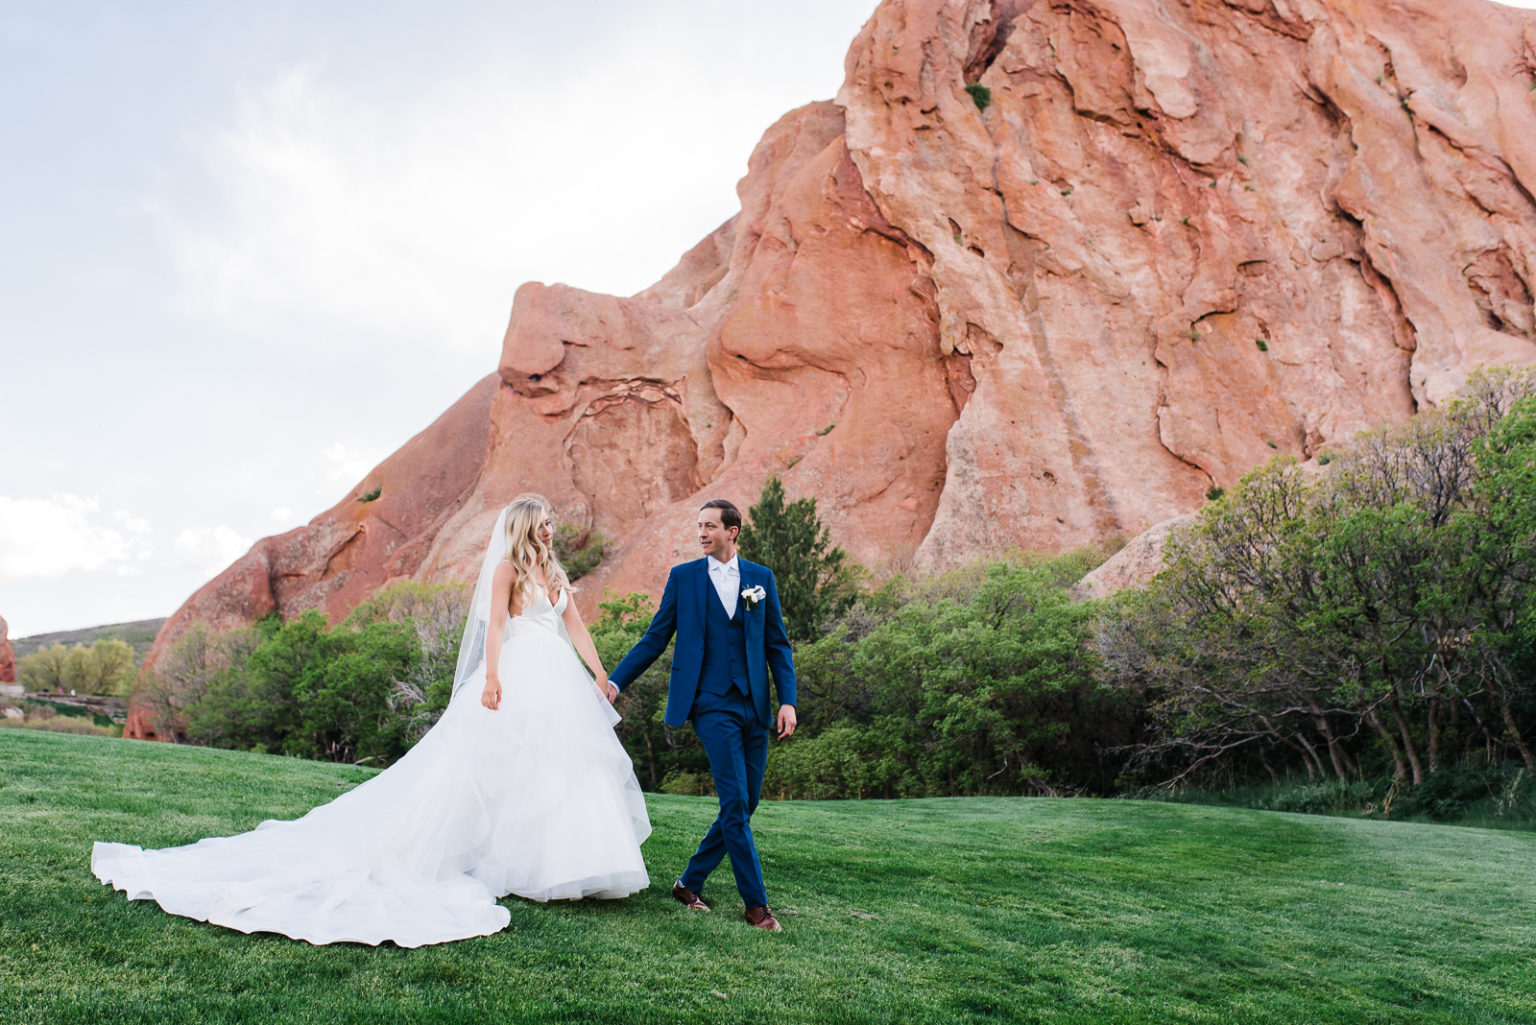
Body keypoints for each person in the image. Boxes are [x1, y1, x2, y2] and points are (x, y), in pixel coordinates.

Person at [91, 495, 650, 948]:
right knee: (497, 767)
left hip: (557, 677)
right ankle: (518, 866)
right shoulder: (507, 569)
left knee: (558, 768)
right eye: (544, 523)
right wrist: (492, 677)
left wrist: (602, 674)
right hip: (519, 672)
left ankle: (568, 866)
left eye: (552, 523)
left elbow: (575, 626)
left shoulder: (554, 572)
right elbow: (498, 628)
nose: (551, 530)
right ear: (526, 526)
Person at [608, 498, 797, 931]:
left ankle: (688, 882)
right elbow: (655, 638)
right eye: (699, 526)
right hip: (710, 703)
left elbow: (777, 645)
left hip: (756, 705)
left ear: (733, 531)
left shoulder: (760, 579)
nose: (701, 533)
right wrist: (617, 682)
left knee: (746, 803)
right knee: (734, 801)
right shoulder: (684, 579)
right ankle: (757, 906)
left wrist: (787, 700)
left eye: (710, 526)